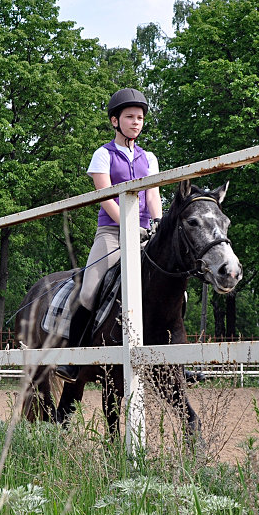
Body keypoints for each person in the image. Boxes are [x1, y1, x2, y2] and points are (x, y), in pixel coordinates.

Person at [56, 88, 163, 383]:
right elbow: (105, 196)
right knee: (89, 289)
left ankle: (173, 360)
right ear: (115, 121)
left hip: (146, 233)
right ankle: (73, 359)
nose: (136, 122)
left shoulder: (149, 157)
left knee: (172, 286)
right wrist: (130, 226)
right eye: (129, 117)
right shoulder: (103, 155)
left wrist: (158, 223)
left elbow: (153, 196)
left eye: (140, 117)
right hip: (112, 233)